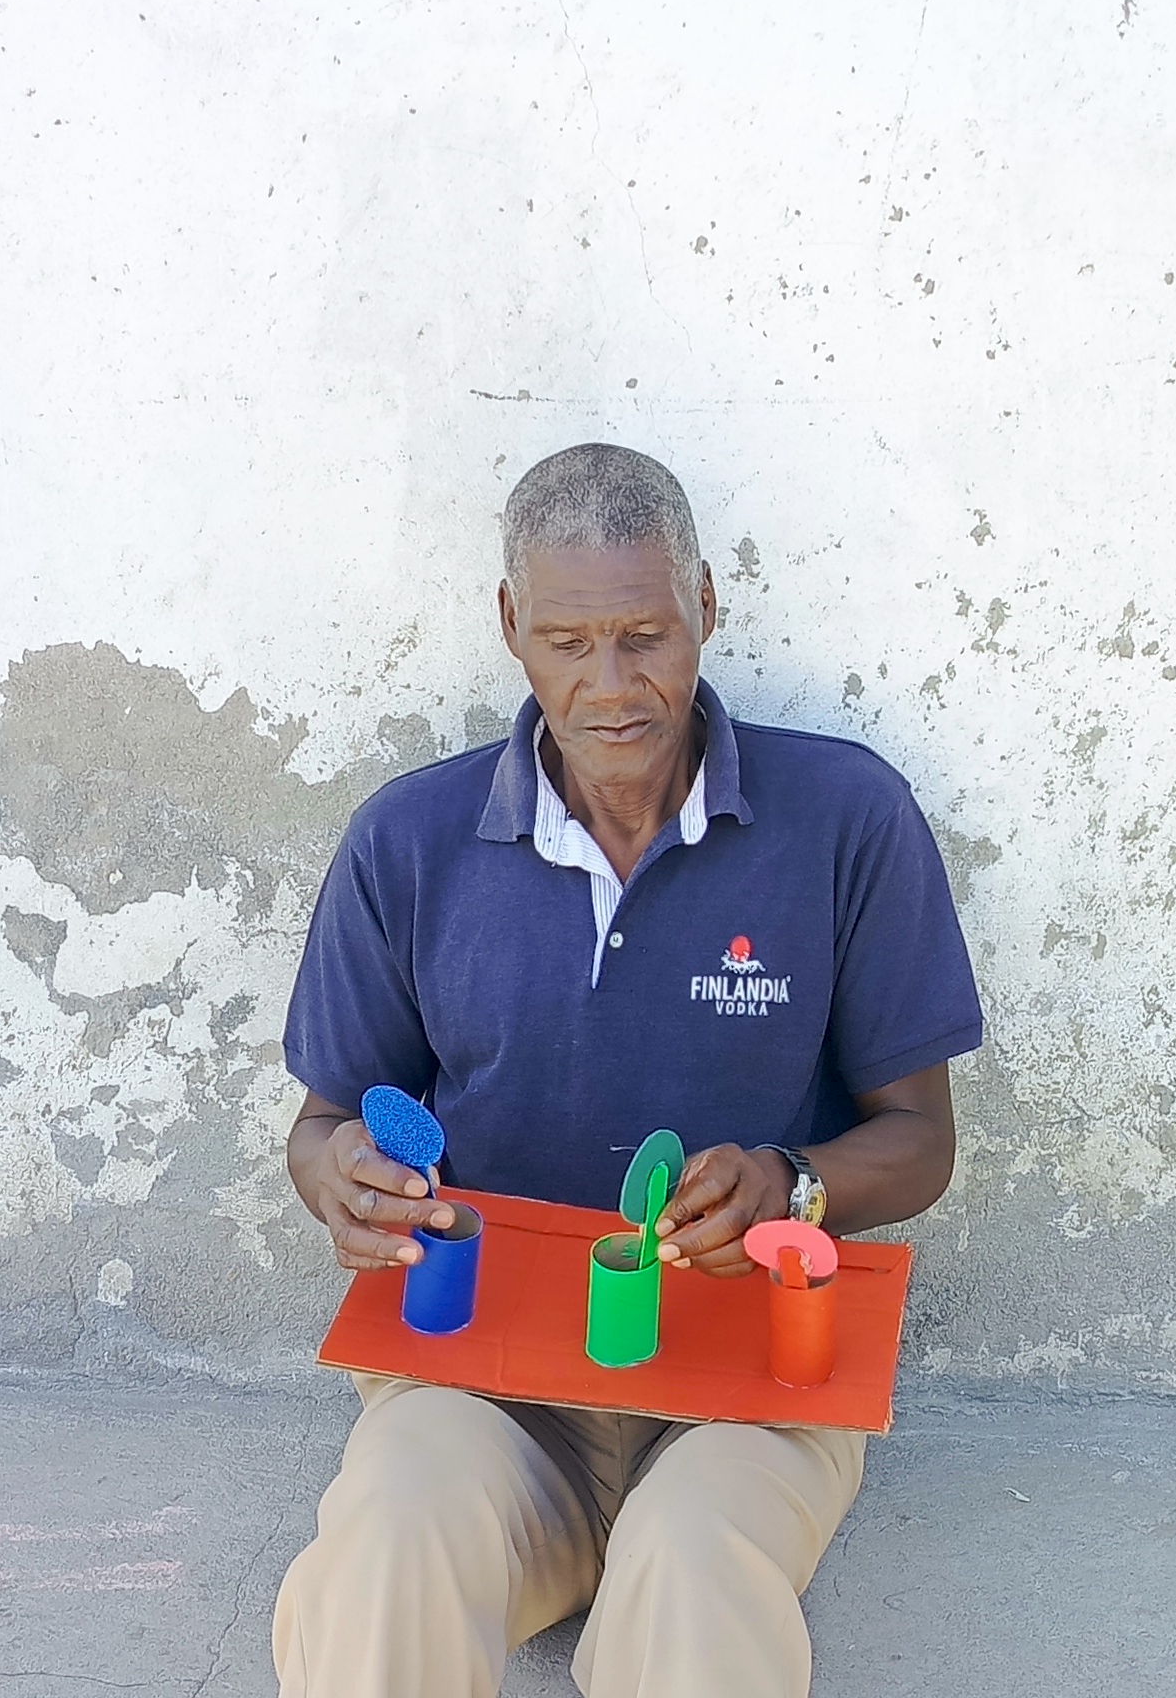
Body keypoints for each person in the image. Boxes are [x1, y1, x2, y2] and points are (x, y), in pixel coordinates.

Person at [267, 443, 981, 1697]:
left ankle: (653, 1559)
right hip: (481, 1377)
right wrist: (340, 1175)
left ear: (706, 604)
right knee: (388, 1537)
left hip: (745, 1383)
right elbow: (325, 1122)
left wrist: (792, 1184)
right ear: (510, 626)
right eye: (567, 642)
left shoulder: (846, 820)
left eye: (647, 636)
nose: (610, 688)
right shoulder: (409, 842)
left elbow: (921, 1141)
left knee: (697, 1573)